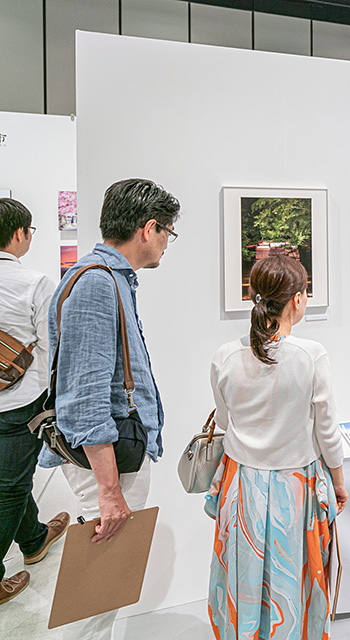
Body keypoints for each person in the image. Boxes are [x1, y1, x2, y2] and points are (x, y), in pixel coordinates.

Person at [41, 178, 180, 639]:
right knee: (96, 598)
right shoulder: (98, 284)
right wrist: (108, 491)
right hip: (109, 464)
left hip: (112, 458)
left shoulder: (104, 278)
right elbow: (84, 399)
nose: (166, 244)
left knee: (102, 594)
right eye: (168, 233)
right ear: (149, 228)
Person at [207, 255, 348, 640]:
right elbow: (327, 432)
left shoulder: (225, 356)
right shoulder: (311, 355)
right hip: (296, 487)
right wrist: (338, 482)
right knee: (294, 583)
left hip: (240, 485)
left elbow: (222, 422)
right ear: (297, 300)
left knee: (244, 577)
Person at [0, 198, 69, 605]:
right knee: (10, 486)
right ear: (21, 234)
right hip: (21, 401)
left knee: (10, 474)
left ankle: (35, 538)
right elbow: (51, 345)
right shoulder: (35, 282)